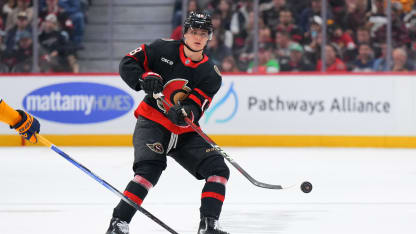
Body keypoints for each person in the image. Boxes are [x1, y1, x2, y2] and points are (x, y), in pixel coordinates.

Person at [105, 11, 230, 234]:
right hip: (152, 122)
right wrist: (143, 78)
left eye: (203, 33)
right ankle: (118, 223)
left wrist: (186, 112)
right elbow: (128, 63)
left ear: (210, 36)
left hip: (184, 133)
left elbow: (198, 105)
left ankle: (209, 225)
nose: (198, 37)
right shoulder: (162, 49)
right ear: (184, 32)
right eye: (193, 31)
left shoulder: (211, 74)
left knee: (218, 169)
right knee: (148, 172)